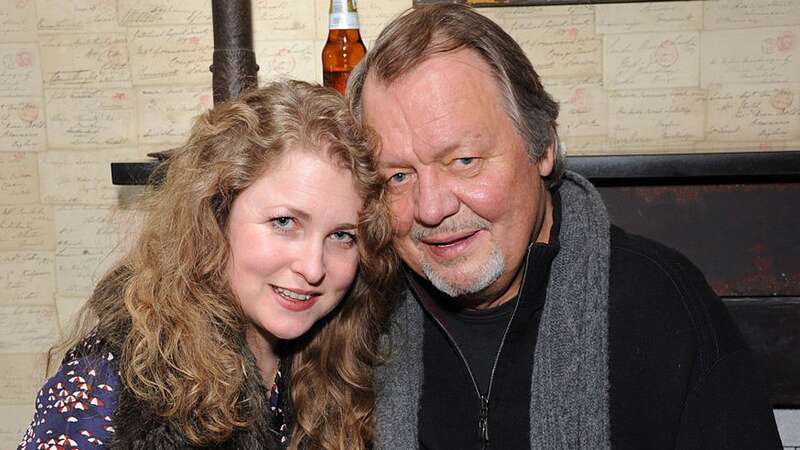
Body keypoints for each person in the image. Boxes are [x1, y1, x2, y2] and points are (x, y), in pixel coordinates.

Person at [347, 4, 782, 449]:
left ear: (543, 148)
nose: (432, 208)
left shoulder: (663, 306)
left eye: (464, 161)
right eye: (398, 176)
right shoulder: (353, 323)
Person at [18, 80, 397, 450]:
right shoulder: (108, 384)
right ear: (216, 217)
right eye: (284, 222)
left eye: (343, 236)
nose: (313, 268)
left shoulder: (335, 365)